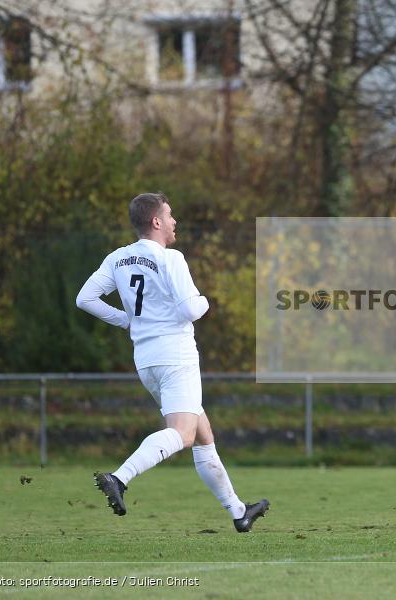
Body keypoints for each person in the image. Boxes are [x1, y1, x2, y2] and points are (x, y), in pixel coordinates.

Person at [75, 192, 269, 533]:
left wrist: (125, 320)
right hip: (176, 356)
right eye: (169, 215)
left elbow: (85, 298)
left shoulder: (117, 259)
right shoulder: (171, 259)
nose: (174, 221)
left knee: (203, 434)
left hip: (146, 360)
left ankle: (239, 512)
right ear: (156, 221)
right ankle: (120, 477)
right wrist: (206, 301)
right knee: (183, 433)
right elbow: (190, 309)